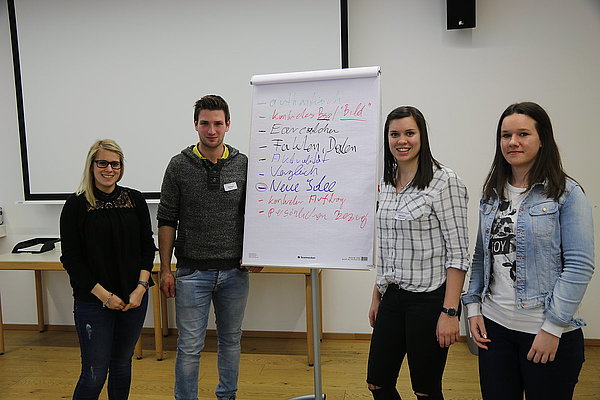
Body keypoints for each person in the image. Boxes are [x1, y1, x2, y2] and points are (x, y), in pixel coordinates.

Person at [463, 102, 595, 399]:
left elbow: (579, 265)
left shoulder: (567, 194)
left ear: (542, 139)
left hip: (545, 332)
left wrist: (553, 328)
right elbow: (482, 256)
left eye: (523, 134)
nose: (513, 142)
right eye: (506, 135)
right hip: (494, 330)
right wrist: (473, 309)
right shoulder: (492, 193)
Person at [158, 94, 259, 400]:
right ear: (195, 125)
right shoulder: (178, 165)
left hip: (234, 273)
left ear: (228, 124)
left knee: (231, 341)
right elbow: (166, 219)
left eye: (217, 123)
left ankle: (227, 396)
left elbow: (255, 214)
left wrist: (257, 252)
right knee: (189, 346)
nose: (211, 130)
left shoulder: (243, 164)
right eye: (205, 123)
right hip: (192, 273)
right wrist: (166, 269)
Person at [366, 106, 470, 400]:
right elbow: (388, 244)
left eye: (409, 133)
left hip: (430, 299)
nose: (402, 141)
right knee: (377, 382)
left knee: (425, 389)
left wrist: (450, 312)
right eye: (394, 134)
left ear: (422, 136)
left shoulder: (444, 181)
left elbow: (459, 254)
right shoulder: (386, 183)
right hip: (392, 295)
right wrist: (377, 294)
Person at [60, 139, 156, 399]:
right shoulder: (75, 205)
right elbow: (71, 259)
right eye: (102, 163)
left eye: (115, 164)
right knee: (94, 373)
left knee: (122, 365)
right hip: (93, 302)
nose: (109, 169)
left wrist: (140, 288)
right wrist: (105, 296)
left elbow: (147, 247)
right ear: (91, 165)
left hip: (133, 299)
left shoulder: (135, 199)